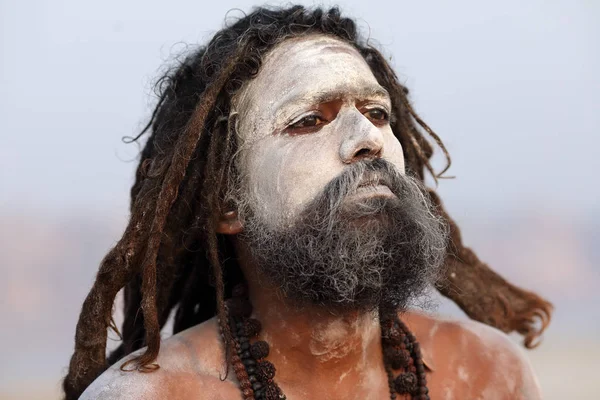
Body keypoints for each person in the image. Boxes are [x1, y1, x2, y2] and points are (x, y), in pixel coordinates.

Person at [63, 6, 553, 400]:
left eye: (377, 112)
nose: (368, 139)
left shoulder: (488, 376)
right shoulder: (151, 396)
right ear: (228, 206)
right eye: (309, 121)